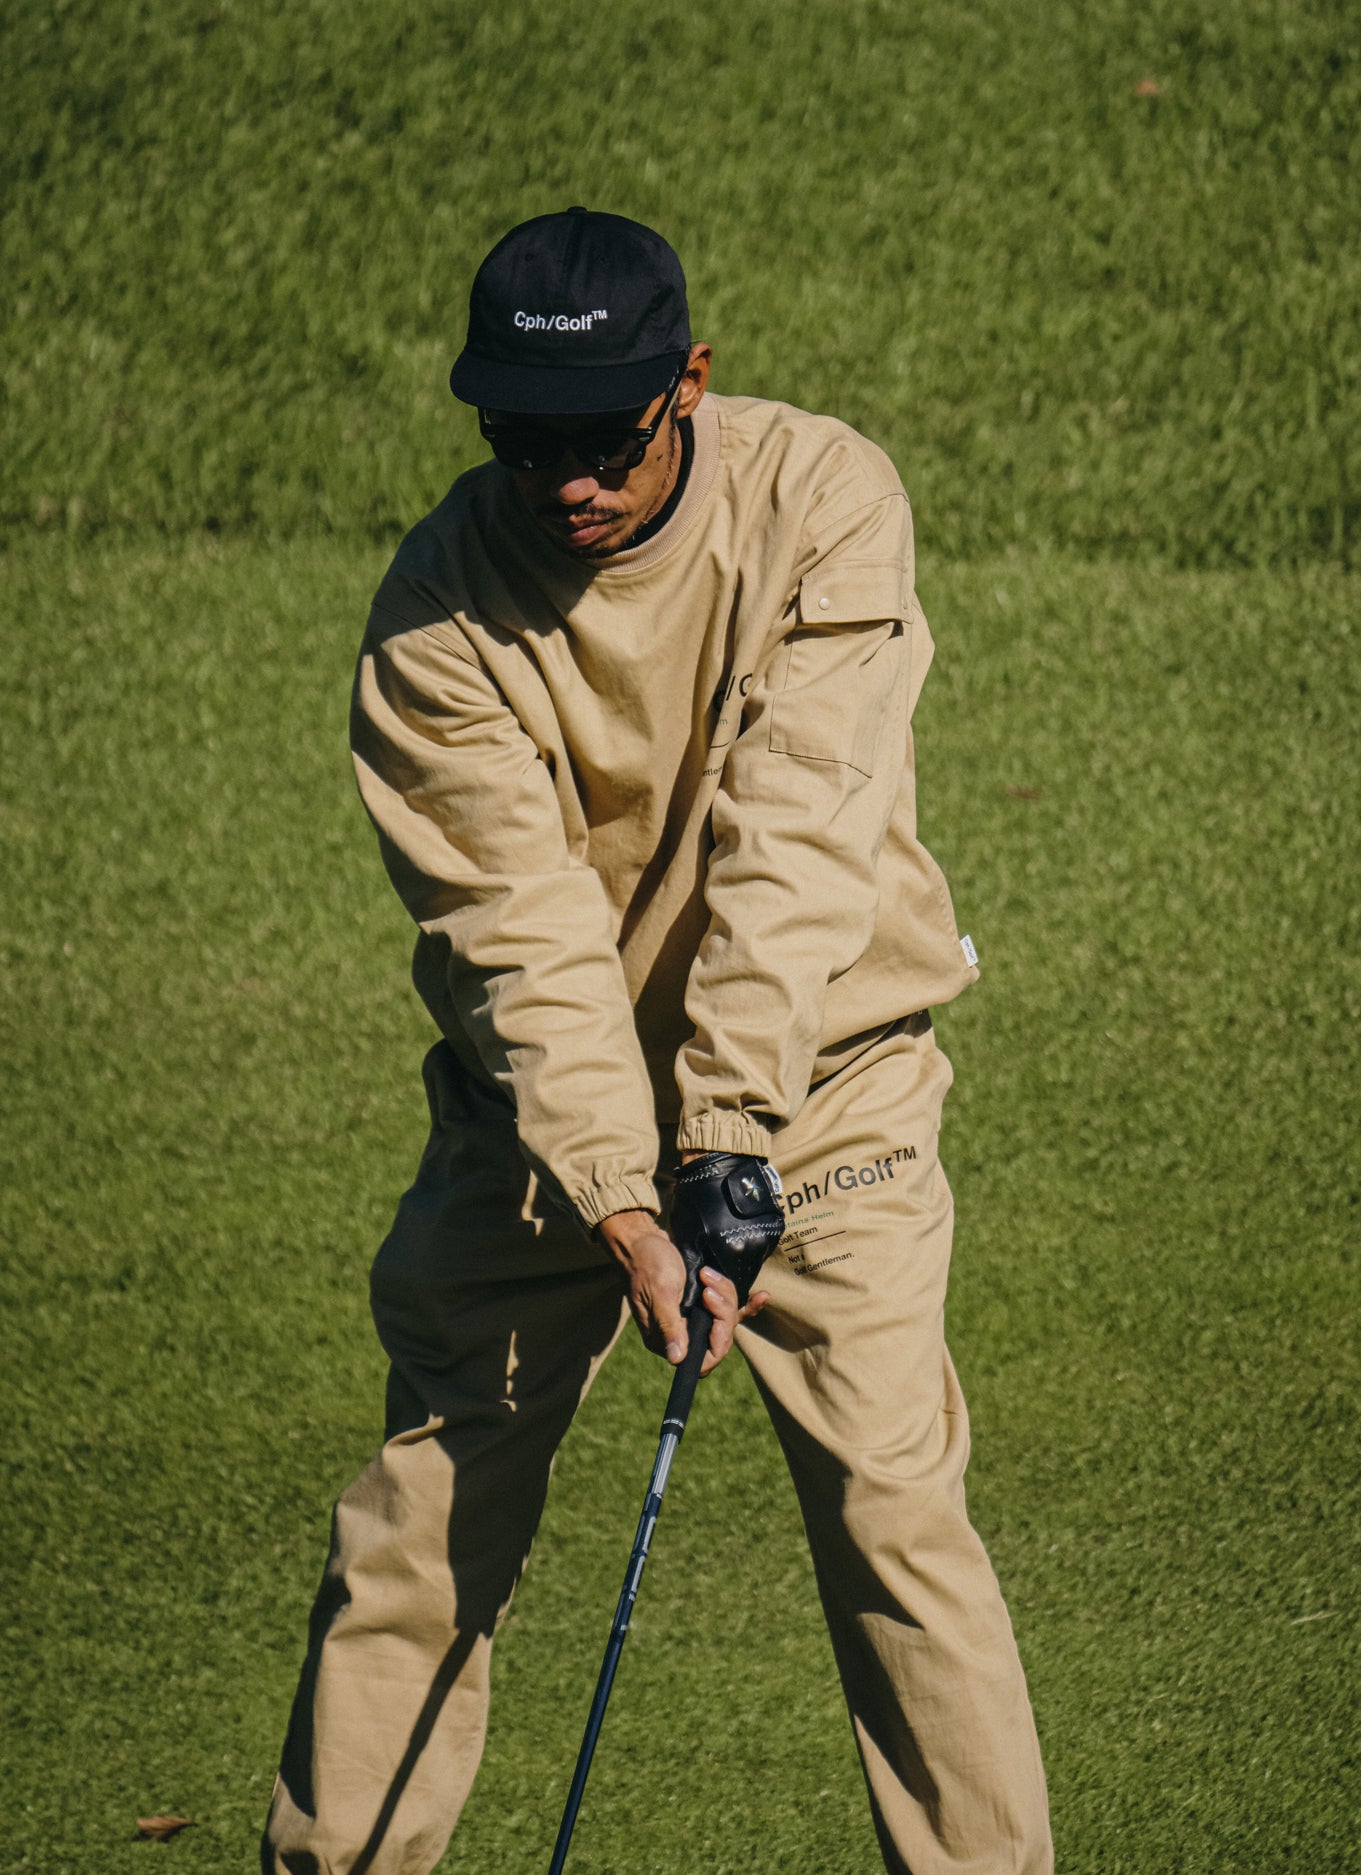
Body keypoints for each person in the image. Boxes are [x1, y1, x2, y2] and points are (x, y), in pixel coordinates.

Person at [262, 206, 1052, 1875]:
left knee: (896, 1515)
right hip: (543, 1126)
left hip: (827, 1091)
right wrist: (631, 1202)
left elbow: (798, 838)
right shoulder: (434, 616)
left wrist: (732, 1145)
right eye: (523, 441)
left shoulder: (826, 499)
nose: (567, 483)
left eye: (604, 442)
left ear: (688, 382)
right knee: (423, 1525)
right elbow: (521, 942)